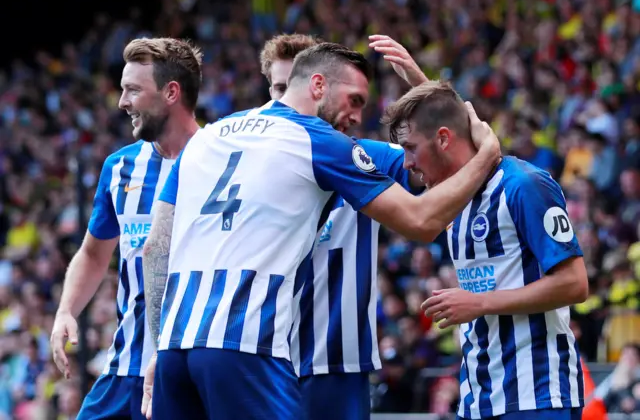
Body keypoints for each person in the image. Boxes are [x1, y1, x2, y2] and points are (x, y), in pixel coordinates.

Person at [141, 42, 501, 420]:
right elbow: (421, 220)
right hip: (245, 343)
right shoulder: (319, 140)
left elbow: (156, 249)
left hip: (176, 349)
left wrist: (158, 346)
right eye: (355, 100)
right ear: (316, 86)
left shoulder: (207, 138)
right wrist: (487, 155)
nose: (358, 116)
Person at [383, 80, 589, 420]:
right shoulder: (453, 198)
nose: (406, 163)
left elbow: (574, 283)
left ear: (444, 139)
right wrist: (423, 84)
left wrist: (478, 302)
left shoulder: (524, 184)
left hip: (536, 395)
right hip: (478, 398)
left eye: (410, 148)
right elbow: (445, 120)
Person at [260, 33, 428, 419]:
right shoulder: (248, 165)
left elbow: (444, 157)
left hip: (338, 364)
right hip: (264, 360)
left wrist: (423, 88)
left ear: (319, 86)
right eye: (279, 90)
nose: (290, 105)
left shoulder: (368, 159)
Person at [49, 37, 203, 420]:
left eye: (133, 89)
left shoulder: (223, 162)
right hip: (126, 370)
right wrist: (67, 310)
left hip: (192, 373)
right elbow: (93, 252)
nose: (122, 102)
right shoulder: (120, 168)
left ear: (171, 92)